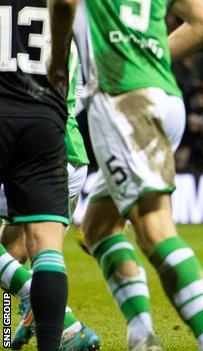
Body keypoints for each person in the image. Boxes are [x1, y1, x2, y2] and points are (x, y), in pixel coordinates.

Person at [48, 0, 203, 350]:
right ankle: (141, 334)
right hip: (166, 97)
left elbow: (63, 4)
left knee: (154, 230)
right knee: (98, 227)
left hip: (122, 100)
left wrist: (57, 62)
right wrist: (147, 60)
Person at [0, 41, 100, 349]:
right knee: (21, 252)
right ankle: (19, 325)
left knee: (19, 262)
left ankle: (52, 313)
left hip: (20, 139)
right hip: (67, 149)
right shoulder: (71, 26)